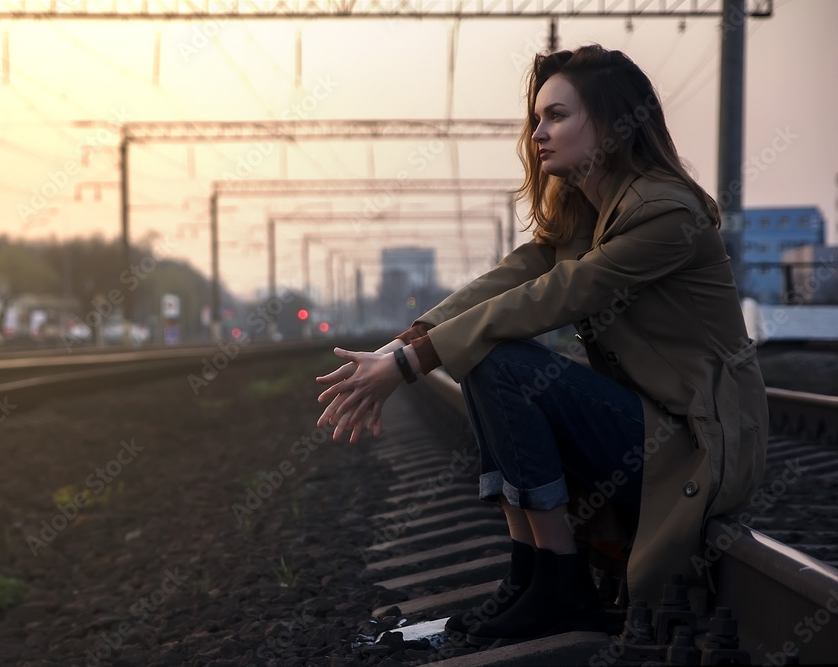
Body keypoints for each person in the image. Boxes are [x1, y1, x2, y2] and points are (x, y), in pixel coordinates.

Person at [315, 44, 768, 646]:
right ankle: (533, 574)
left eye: (556, 116)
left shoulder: (665, 212)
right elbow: (510, 279)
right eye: (536, 119)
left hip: (697, 445)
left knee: (499, 354)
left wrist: (410, 364)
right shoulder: (589, 210)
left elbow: (557, 295)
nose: (538, 134)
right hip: (650, 429)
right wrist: (407, 344)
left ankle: (559, 582)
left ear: (610, 123)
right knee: (483, 346)